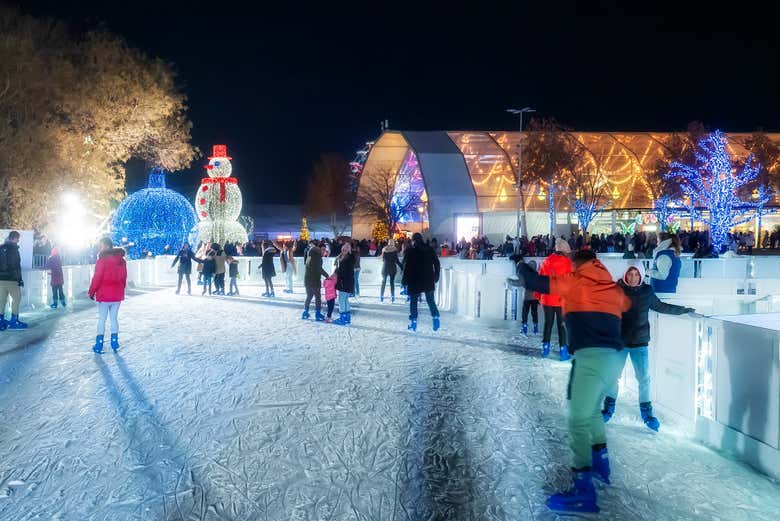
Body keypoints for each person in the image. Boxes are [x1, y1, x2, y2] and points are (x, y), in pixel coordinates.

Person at [516, 249, 631, 514]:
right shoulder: (611, 287)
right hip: (612, 358)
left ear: (577, 263)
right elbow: (625, 304)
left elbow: (535, 283)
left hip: (591, 357)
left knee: (578, 419)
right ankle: (601, 462)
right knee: (591, 412)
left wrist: (521, 264)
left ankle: (583, 491)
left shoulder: (577, 279)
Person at [601, 264, 694, 431]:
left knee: (644, 379)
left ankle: (647, 414)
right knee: (612, 378)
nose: (633, 277)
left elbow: (661, 306)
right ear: (625, 275)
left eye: (636, 274)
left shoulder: (646, 292)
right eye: (630, 274)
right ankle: (608, 409)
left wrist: (683, 310)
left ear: (641, 276)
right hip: (619, 343)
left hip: (640, 343)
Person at [87, 237, 127, 353]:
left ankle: (99, 344)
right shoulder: (121, 261)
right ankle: (114, 342)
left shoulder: (102, 261)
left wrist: (91, 291)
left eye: (101, 246)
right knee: (114, 318)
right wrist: (120, 289)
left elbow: (97, 278)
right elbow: (124, 277)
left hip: (104, 295)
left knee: (102, 319)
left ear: (107, 246)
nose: (99, 248)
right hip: (117, 294)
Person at [538, 238, 573, 359]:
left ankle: (545, 349)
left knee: (548, 323)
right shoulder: (568, 263)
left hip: (547, 298)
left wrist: (538, 296)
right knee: (561, 325)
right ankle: (563, 352)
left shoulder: (546, 261)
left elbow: (540, 281)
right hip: (561, 299)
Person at [402, 233, 441, 332]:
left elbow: (406, 267)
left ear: (414, 240)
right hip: (428, 278)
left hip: (414, 279)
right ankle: (435, 317)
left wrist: (404, 281)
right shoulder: (429, 249)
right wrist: (436, 275)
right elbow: (436, 263)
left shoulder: (410, 251)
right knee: (430, 300)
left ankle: (414, 322)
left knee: (413, 301)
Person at [0, 231, 27, 330]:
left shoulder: (1, 248)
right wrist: (20, 280)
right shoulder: (14, 249)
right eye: (18, 238)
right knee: (17, 299)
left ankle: (0, 321)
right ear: (14, 238)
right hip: (11, 279)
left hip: (1, 280)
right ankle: (14, 321)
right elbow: (16, 266)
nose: (18, 240)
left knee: (1, 300)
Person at [302, 242, 329, 320]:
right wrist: (327, 275)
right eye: (323, 249)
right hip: (314, 280)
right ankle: (317, 314)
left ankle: (305, 312)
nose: (324, 251)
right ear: (319, 249)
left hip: (307, 279)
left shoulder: (310, 254)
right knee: (318, 297)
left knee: (309, 296)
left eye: (325, 250)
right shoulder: (317, 256)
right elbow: (319, 269)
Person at [333, 243, 356, 325]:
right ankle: (347, 317)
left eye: (346, 249)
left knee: (341, 300)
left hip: (345, 282)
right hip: (346, 282)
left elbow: (343, 271)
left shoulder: (349, 259)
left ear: (349, 250)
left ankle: (342, 318)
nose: (344, 250)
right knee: (345, 300)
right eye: (343, 249)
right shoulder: (343, 258)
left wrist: (336, 273)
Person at [380, 238, 403, 303]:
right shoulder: (394, 250)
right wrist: (402, 267)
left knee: (383, 282)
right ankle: (392, 296)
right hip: (392, 268)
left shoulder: (384, 249)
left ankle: (381, 296)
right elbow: (397, 260)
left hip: (385, 267)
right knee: (392, 283)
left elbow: (382, 259)